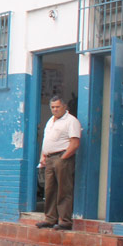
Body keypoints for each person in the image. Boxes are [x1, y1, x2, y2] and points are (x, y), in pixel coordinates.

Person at [36, 94, 82, 231]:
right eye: (52, 107)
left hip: (62, 158)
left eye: (57, 107)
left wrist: (63, 158)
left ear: (64, 107)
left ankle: (65, 221)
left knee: (64, 190)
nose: (55, 109)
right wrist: (43, 157)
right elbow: (46, 140)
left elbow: (74, 143)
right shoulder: (51, 121)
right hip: (49, 158)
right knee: (49, 190)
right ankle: (50, 218)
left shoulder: (71, 121)